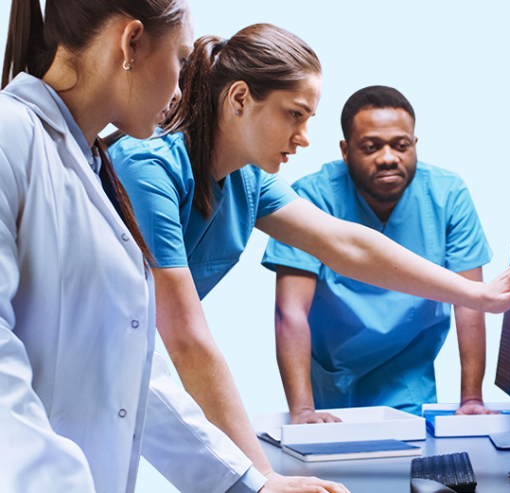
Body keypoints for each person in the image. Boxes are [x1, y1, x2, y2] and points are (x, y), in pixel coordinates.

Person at [109, 22, 510, 492]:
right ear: (239, 99)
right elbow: (187, 337)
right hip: (85, 365)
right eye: (294, 115)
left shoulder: (248, 181)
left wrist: (477, 294)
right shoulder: (148, 168)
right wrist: (264, 479)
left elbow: (349, 244)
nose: (302, 137)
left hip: (128, 368)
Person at [0, 2, 345, 492]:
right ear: (131, 43)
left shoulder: (93, 168)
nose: (184, 87)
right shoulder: (10, 136)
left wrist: (255, 484)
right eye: (181, 61)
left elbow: (138, 378)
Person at [262, 85, 496, 421]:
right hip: (331, 377)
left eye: (401, 146)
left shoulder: (448, 195)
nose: (388, 157)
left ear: (415, 144)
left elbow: (471, 302)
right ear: (345, 151)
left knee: (406, 468)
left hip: (406, 376)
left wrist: (472, 398)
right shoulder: (312, 196)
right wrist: (302, 409)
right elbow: (290, 311)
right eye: (371, 147)